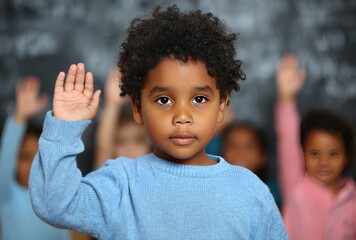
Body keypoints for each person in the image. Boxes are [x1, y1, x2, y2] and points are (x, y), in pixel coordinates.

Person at [29, 5, 288, 239]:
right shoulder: (122, 184)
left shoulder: (249, 191)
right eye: (164, 100)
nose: (182, 116)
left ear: (221, 106)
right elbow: (54, 205)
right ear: (137, 108)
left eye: (199, 99)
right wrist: (65, 128)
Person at [275, 53, 356, 239]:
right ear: (302, 155)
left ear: (348, 156)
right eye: (314, 154)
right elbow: (288, 141)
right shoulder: (297, 186)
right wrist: (286, 98)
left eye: (333, 154)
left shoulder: (353, 197)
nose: (323, 162)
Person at [0, 76, 70, 240]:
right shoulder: (6, 195)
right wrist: (19, 117)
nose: (32, 165)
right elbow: (5, 161)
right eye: (25, 157)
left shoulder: (54, 202)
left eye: (38, 157)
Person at [95, 67, 151, 168]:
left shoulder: (158, 174)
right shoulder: (110, 177)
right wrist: (112, 104)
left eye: (139, 140)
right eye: (121, 142)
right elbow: (103, 150)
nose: (130, 151)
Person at [221, 121, 281, 206]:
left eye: (249, 146)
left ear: (263, 157)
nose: (240, 152)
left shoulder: (270, 192)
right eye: (233, 145)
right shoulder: (216, 189)